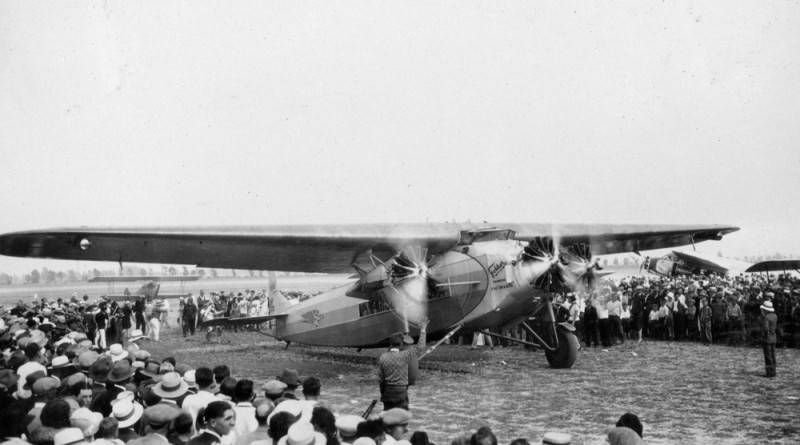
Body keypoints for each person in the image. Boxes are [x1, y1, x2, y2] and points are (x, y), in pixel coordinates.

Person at [377, 318, 428, 410]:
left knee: (388, 417)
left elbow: (380, 379)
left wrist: (383, 393)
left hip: (387, 392)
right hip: (401, 391)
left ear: (390, 344)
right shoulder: (405, 355)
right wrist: (423, 329)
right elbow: (420, 347)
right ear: (401, 344)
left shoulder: (383, 357)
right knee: (402, 417)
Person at [760, 300, 778, 377]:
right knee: (773, 354)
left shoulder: (766, 317)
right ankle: (773, 370)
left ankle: (769, 372)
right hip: (773, 336)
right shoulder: (775, 316)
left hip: (767, 337)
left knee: (768, 355)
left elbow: (766, 328)